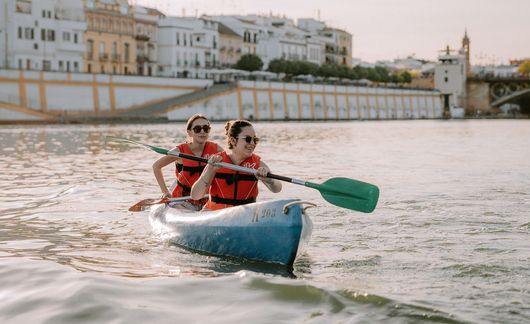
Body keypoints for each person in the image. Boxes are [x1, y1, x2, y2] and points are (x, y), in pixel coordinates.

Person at [191, 119, 281, 210]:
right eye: (248, 139)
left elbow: (277, 189)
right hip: (214, 212)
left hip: (245, 214)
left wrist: (270, 181)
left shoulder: (258, 165)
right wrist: (210, 170)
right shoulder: (216, 162)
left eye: (255, 139)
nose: (252, 143)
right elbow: (195, 196)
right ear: (233, 141)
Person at [152, 114, 222, 208]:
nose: (202, 132)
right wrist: (165, 192)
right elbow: (156, 166)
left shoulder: (217, 149)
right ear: (189, 132)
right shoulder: (180, 151)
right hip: (183, 200)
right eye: (197, 129)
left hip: (207, 199)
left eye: (206, 128)